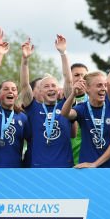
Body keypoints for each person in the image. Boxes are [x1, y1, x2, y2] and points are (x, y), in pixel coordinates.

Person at [19, 35, 74, 168]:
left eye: (54, 86)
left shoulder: (65, 106)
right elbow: (25, 85)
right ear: (39, 92)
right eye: (46, 86)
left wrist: (63, 53)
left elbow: (68, 80)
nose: (51, 89)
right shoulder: (33, 107)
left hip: (64, 166)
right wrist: (25, 60)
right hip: (39, 166)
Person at [61, 71, 110, 168]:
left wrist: (95, 164)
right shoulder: (82, 108)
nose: (103, 89)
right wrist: (73, 94)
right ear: (87, 88)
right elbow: (65, 113)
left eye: (105, 85)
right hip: (87, 166)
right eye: (99, 85)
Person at [0, 41, 29, 168]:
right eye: (6, 89)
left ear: (16, 95)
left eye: (13, 89)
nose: (10, 91)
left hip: (15, 168)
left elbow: (31, 143)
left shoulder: (22, 117)